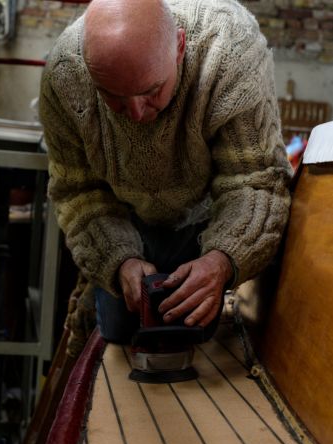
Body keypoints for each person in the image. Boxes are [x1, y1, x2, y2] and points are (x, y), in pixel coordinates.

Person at [40, 0, 292, 344]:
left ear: (180, 46)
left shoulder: (231, 48)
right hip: (124, 219)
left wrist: (222, 259)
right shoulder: (63, 74)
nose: (136, 113)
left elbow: (255, 180)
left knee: (190, 328)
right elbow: (79, 192)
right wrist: (118, 262)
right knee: (118, 329)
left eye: (151, 91)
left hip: (205, 217)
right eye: (112, 97)